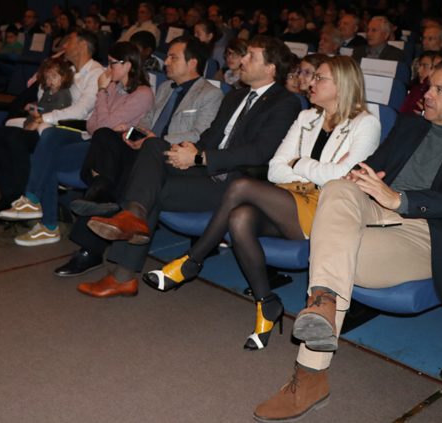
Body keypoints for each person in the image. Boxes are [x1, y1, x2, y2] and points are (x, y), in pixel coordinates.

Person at [253, 60, 442, 423]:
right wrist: (360, 179)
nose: (427, 94)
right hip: (374, 208)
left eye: (439, 90)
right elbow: (369, 170)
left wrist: (401, 200)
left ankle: (310, 374)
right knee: (339, 187)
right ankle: (323, 304)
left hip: (427, 230)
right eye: (428, 86)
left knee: (331, 255)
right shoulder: (409, 124)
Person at [144, 56, 381, 352]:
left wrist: (299, 163)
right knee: (240, 217)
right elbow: (275, 169)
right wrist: (311, 170)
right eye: (312, 76)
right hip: (288, 198)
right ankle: (266, 303)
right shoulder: (306, 118)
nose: (310, 82)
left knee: (241, 186)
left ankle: (192, 261)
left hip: (327, 208)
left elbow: (339, 178)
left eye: (319, 77)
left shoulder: (366, 124)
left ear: (343, 85)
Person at [70, 36, 302, 298]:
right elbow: (210, 137)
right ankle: (133, 216)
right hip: (205, 169)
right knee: (153, 147)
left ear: (271, 67)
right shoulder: (235, 96)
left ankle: (123, 271)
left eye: (251, 56)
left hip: (235, 183)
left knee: (150, 189)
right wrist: (190, 150)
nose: (242, 61)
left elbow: (259, 152)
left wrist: (200, 158)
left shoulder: (285, 102)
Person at [55, 35, 224, 276]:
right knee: (105, 135)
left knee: (116, 172)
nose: (166, 62)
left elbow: (199, 134)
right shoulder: (165, 88)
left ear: (192, 63)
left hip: (170, 156)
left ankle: (90, 245)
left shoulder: (210, 94)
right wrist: (132, 133)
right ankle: (102, 194)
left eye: (173, 57)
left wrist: (155, 140)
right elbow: (148, 120)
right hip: (145, 147)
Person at [0, 43, 154, 246]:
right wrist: (104, 114)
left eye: (112, 63)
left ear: (128, 65)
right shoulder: (114, 87)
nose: (107, 69)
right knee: (51, 136)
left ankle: (48, 224)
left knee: (47, 159)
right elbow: (92, 124)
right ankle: (33, 202)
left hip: (111, 152)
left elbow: (103, 127)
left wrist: (101, 91)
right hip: (93, 140)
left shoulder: (142, 94)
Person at [0, 29, 104, 217]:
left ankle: (25, 201)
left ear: (82, 45)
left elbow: (82, 110)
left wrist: (42, 118)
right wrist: (48, 70)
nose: (64, 45)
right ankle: (9, 198)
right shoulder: (68, 70)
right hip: (52, 123)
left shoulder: (96, 73)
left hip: (72, 130)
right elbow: (43, 96)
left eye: (69, 41)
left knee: (17, 140)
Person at [21, 58, 74, 132]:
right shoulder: (47, 92)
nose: (50, 80)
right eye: (47, 77)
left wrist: (38, 115)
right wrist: (32, 105)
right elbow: (42, 104)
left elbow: (58, 114)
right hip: (37, 119)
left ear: (64, 77)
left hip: (50, 124)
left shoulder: (63, 94)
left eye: (54, 76)